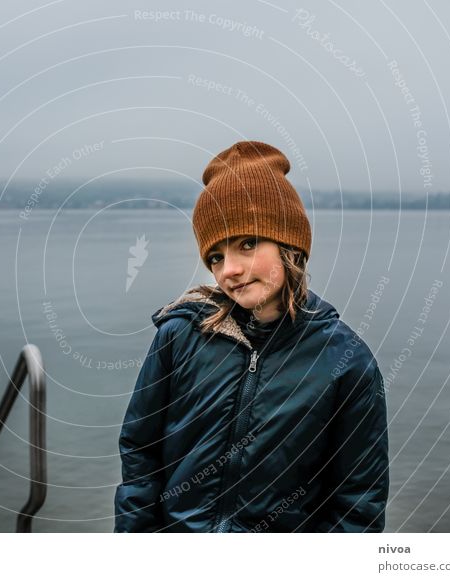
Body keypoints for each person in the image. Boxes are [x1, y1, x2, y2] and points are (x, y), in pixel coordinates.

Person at [113, 141, 389, 533]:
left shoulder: (345, 362)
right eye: (216, 257)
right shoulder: (179, 336)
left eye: (247, 244)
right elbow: (141, 457)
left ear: (289, 244)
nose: (230, 270)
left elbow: (357, 502)